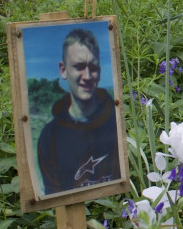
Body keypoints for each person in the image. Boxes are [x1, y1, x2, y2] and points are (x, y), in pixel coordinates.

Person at [37, 28, 121, 195]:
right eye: (79, 66)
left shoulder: (118, 120)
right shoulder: (49, 137)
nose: (88, 76)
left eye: (94, 67)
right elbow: (55, 198)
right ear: (63, 70)